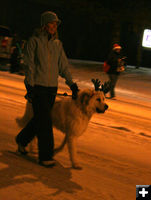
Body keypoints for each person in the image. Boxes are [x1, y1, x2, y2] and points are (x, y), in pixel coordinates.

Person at [15, 11, 79, 167]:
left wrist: (72, 84)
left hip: (51, 89)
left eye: (56, 24)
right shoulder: (34, 42)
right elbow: (29, 66)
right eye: (51, 23)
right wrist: (29, 86)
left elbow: (63, 66)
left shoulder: (57, 44)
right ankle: (45, 156)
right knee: (45, 122)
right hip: (38, 88)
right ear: (44, 25)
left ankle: (21, 140)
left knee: (39, 119)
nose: (54, 26)